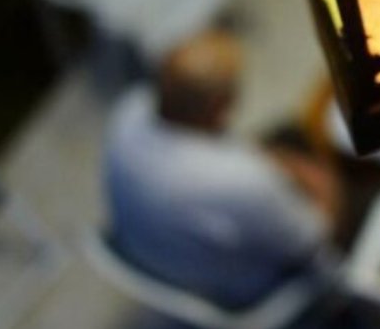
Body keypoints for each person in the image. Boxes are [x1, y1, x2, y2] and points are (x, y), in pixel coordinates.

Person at [103, 30, 345, 311]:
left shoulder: (128, 112)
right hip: (250, 288)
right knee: (350, 181)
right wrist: (325, 181)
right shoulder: (241, 182)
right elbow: (314, 236)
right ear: (218, 106)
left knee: (286, 135)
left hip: (152, 253)